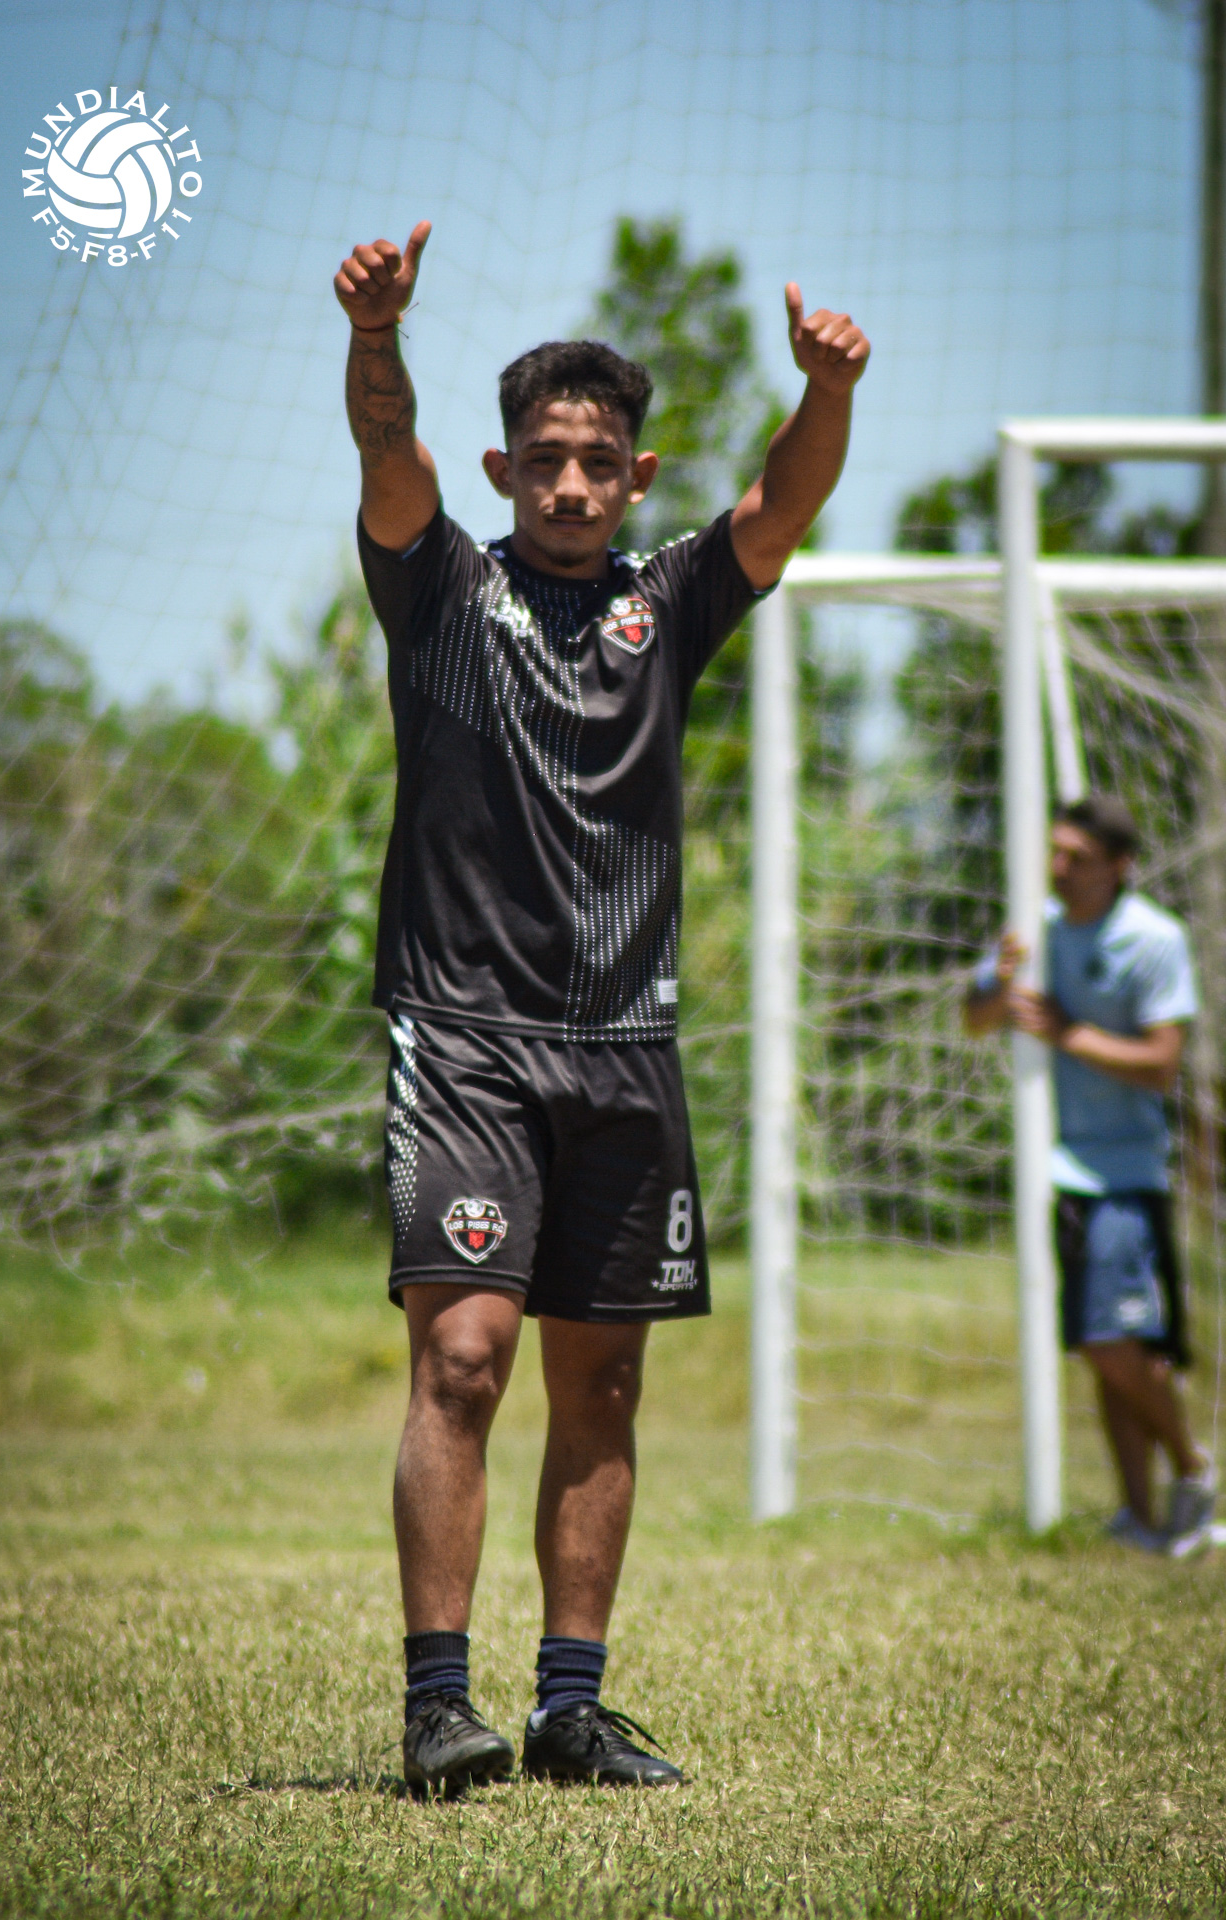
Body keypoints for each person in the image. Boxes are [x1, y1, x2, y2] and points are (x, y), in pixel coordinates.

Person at [332, 219, 869, 1793]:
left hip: (629, 1046)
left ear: (637, 478)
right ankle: (441, 1708)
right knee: (464, 1359)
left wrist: (828, 389)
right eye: (546, 461)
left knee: (606, 1380)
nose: (571, 486)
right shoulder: (440, 585)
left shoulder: (671, 602)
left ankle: (571, 1710)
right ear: (505, 471)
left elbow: (783, 503)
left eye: (599, 463)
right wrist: (376, 336)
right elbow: (387, 455)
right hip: (466, 1035)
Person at [965, 794, 1215, 1556]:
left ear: (1120, 867)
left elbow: (1162, 1063)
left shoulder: (1154, 939)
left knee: (1114, 1342)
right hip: (1058, 1172)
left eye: (1077, 857)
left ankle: (1193, 1467)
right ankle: (1139, 1517)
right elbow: (975, 1020)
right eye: (1055, 851)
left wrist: (1068, 1034)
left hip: (1125, 1173)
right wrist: (997, 985)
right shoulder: (1033, 930)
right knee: (1099, 1354)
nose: (1058, 868)